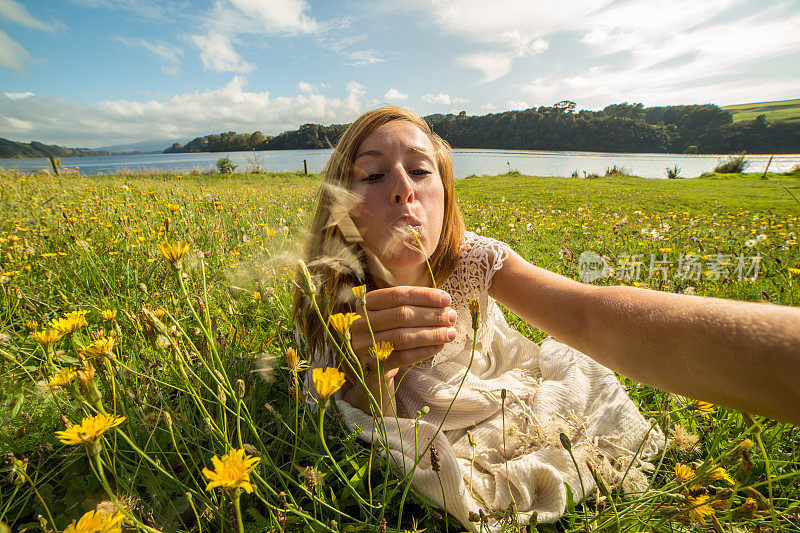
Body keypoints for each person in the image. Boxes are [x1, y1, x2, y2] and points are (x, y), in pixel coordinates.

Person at [293, 106, 800, 531]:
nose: (403, 188)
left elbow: (584, 315)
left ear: (446, 197)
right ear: (344, 206)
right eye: (375, 174)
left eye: (421, 171)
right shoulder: (332, 296)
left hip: (492, 382)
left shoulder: (471, 258)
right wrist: (374, 369)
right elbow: (367, 431)